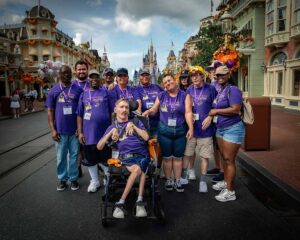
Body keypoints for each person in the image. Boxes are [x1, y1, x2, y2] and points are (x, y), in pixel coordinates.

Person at [97, 99, 150, 219]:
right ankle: (136, 202)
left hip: (142, 155)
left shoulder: (136, 121)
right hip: (125, 158)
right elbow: (99, 147)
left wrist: (134, 127)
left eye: (126, 107)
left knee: (139, 167)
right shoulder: (112, 127)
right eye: (121, 107)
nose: (124, 110)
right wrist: (110, 133)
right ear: (115, 110)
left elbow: (146, 137)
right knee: (138, 169)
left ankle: (122, 203)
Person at [143, 72, 193, 193]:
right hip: (164, 130)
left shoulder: (185, 95)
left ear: (175, 81)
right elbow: (155, 109)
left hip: (180, 131)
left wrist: (191, 128)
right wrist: (149, 111)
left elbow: (188, 112)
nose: (167, 83)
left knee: (177, 158)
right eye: (165, 82)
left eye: (169, 80)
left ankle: (177, 180)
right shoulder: (161, 95)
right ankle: (169, 180)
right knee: (166, 158)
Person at [208, 66, 245, 202]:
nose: (220, 77)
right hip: (221, 128)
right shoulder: (220, 90)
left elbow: (235, 110)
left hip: (232, 128)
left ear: (229, 75)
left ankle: (230, 191)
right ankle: (225, 182)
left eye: (223, 74)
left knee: (229, 160)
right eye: (217, 75)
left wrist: (216, 112)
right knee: (224, 157)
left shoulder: (233, 89)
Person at [46, 65, 83, 191]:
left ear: (71, 74)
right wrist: (52, 130)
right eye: (63, 73)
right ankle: (62, 179)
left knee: (73, 156)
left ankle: (73, 179)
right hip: (60, 131)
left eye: (68, 73)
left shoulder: (78, 90)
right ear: (59, 75)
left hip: (74, 131)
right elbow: (50, 111)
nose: (66, 75)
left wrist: (80, 128)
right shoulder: (53, 91)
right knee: (61, 157)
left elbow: (81, 111)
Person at [182, 66, 217, 192]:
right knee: (188, 153)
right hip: (191, 129)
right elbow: (187, 109)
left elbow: (217, 104)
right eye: (192, 76)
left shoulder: (211, 88)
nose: (195, 77)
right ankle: (185, 175)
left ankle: (203, 181)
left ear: (202, 76)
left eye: (197, 75)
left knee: (204, 156)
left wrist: (211, 116)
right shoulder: (189, 90)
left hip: (205, 129)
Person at [77, 69, 112, 193]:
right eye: (91, 77)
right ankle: (95, 181)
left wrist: (113, 130)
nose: (94, 79)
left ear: (100, 78)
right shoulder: (84, 94)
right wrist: (80, 132)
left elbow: (113, 112)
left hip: (104, 134)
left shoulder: (106, 92)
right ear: (89, 79)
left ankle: (108, 180)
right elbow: (80, 115)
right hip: (89, 134)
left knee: (105, 159)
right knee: (91, 160)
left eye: (96, 77)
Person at [205, 61, 224, 183]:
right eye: (211, 70)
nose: (212, 72)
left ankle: (223, 171)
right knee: (215, 146)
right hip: (213, 120)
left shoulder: (223, 84)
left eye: (214, 70)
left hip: (221, 120)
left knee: (222, 147)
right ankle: (218, 167)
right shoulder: (212, 85)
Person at [73, 60, 90, 178]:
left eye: (83, 69)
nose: (81, 71)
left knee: (92, 147)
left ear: (87, 70)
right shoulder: (71, 85)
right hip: (75, 121)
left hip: (90, 122)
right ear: (75, 70)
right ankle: (77, 168)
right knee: (77, 149)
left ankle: (95, 168)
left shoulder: (92, 83)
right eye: (79, 69)